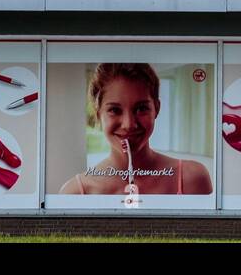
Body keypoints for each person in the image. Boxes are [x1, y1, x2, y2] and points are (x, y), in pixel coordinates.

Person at [61, 63, 212, 196]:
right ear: (98, 113)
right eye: (114, 110)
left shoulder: (193, 178)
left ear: (157, 109)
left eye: (141, 109)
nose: (129, 124)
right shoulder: (75, 192)